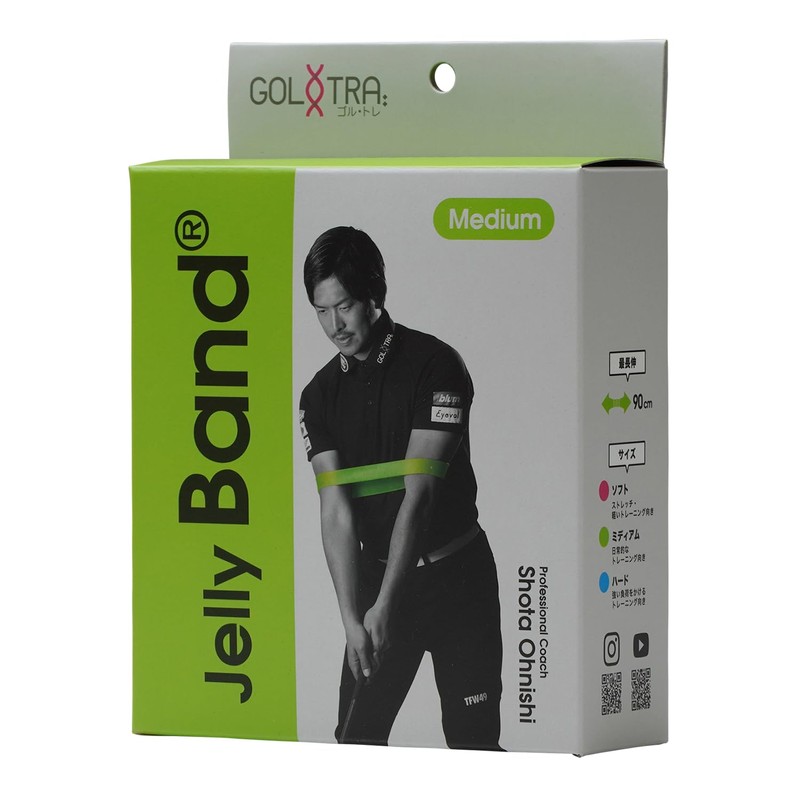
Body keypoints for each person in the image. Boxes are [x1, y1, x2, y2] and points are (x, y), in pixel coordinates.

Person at [299, 226, 503, 750]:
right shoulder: (318, 396)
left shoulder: (437, 365)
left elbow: (421, 494)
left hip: (458, 582)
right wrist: (352, 618)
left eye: (344, 306)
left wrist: (386, 603)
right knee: (355, 740)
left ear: (373, 295)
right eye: (321, 311)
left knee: (474, 742)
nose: (334, 325)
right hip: (378, 580)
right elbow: (335, 510)